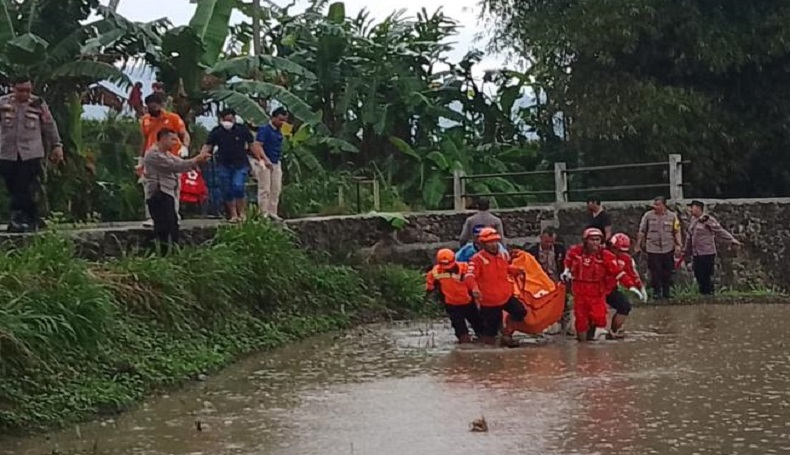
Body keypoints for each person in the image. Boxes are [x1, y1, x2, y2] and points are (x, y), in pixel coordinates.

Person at [0, 75, 64, 233]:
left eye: (28, 90)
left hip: (30, 153)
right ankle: (30, 217)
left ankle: (20, 217)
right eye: (21, 90)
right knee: (12, 186)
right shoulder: (3, 103)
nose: (25, 94)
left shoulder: (38, 104)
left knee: (25, 186)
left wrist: (57, 145)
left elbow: (49, 125)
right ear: (13, 88)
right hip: (7, 152)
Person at [562, 228, 643, 342]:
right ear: (586, 241)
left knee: (599, 319)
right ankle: (583, 348)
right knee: (581, 323)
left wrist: (631, 286)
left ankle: (598, 343)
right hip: (580, 294)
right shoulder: (576, 252)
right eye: (592, 240)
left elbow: (619, 273)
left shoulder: (606, 256)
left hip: (597, 293)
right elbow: (568, 260)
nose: (595, 242)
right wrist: (566, 270)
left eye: (598, 240)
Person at [143, 129, 211, 254]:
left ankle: (172, 251)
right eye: (172, 139)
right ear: (163, 139)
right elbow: (175, 166)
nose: (174, 143)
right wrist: (196, 159)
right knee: (163, 225)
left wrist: (197, 160)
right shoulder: (153, 154)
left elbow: (181, 163)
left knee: (172, 224)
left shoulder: (167, 154)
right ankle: (163, 252)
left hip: (168, 192)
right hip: (159, 193)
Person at [200, 109, 266, 223]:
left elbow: (252, 145)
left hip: (240, 164)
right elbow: (208, 146)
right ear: (221, 120)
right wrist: (200, 157)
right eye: (226, 120)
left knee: (238, 186)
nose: (228, 122)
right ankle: (233, 214)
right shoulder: (217, 131)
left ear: (234, 119)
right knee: (227, 190)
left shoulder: (242, 130)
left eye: (230, 120)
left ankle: (242, 213)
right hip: (223, 164)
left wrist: (260, 159)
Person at [465, 228, 526, 347]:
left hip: (505, 295)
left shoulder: (503, 255)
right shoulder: (476, 259)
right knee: (490, 332)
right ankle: (490, 355)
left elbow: (505, 268)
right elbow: (469, 276)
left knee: (520, 312)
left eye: (495, 241)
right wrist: (474, 289)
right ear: (483, 244)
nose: (493, 244)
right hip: (489, 301)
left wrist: (515, 270)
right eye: (489, 242)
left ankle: (506, 334)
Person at [137, 93, 190, 227]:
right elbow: (143, 140)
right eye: (149, 106)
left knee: (173, 187)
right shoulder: (145, 120)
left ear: (160, 105)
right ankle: (151, 217)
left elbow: (184, 134)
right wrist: (141, 160)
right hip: (152, 158)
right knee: (150, 187)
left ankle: (173, 215)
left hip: (171, 157)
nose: (151, 109)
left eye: (154, 106)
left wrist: (184, 147)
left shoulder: (173, 118)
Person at [683, 200, 742, 295]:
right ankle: (703, 294)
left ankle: (709, 294)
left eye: (692, 207)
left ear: (698, 208)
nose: (690, 210)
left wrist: (731, 239)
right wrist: (686, 250)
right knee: (698, 274)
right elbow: (690, 237)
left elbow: (719, 231)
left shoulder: (708, 220)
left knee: (707, 275)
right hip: (696, 253)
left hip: (707, 252)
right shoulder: (693, 220)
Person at [426, 249, 483, 343]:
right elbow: (430, 286)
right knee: (462, 335)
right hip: (452, 305)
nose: (448, 268)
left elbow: (475, 279)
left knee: (481, 331)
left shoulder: (465, 268)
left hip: (469, 303)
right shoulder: (435, 272)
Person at [635, 196, 682, 300]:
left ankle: (667, 293)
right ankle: (657, 293)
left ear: (664, 205)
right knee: (655, 272)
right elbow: (642, 231)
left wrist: (679, 245)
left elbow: (677, 231)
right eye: (655, 204)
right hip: (653, 248)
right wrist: (638, 245)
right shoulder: (648, 216)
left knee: (667, 271)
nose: (655, 207)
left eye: (658, 204)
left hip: (668, 247)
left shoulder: (672, 216)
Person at [526, 226, 570, 334]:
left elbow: (566, 264)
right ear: (540, 238)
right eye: (546, 242)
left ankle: (565, 327)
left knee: (564, 303)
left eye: (552, 242)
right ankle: (542, 326)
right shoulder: (531, 251)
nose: (549, 245)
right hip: (539, 283)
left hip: (557, 280)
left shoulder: (560, 249)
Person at [605, 233, 647, 338]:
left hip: (611, 289)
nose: (619, 253)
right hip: (596, 289)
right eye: (617, 250)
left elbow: (632, 274)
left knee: (625, 306)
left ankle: (614, 331)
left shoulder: (626, 258)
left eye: (622, 251)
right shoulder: (602, 255)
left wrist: (640, 287)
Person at [254, 107, 288, 219]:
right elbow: (258, 146)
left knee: (276, 188)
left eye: (284, 120)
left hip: (276, 161)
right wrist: (265, 159)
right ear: (273, 118)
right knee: (265, 189)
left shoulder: (279, 132)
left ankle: (273, 212)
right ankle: (263, 213)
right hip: (264, 162)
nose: (282, 122)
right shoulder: (265, 129)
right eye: (280, 120)